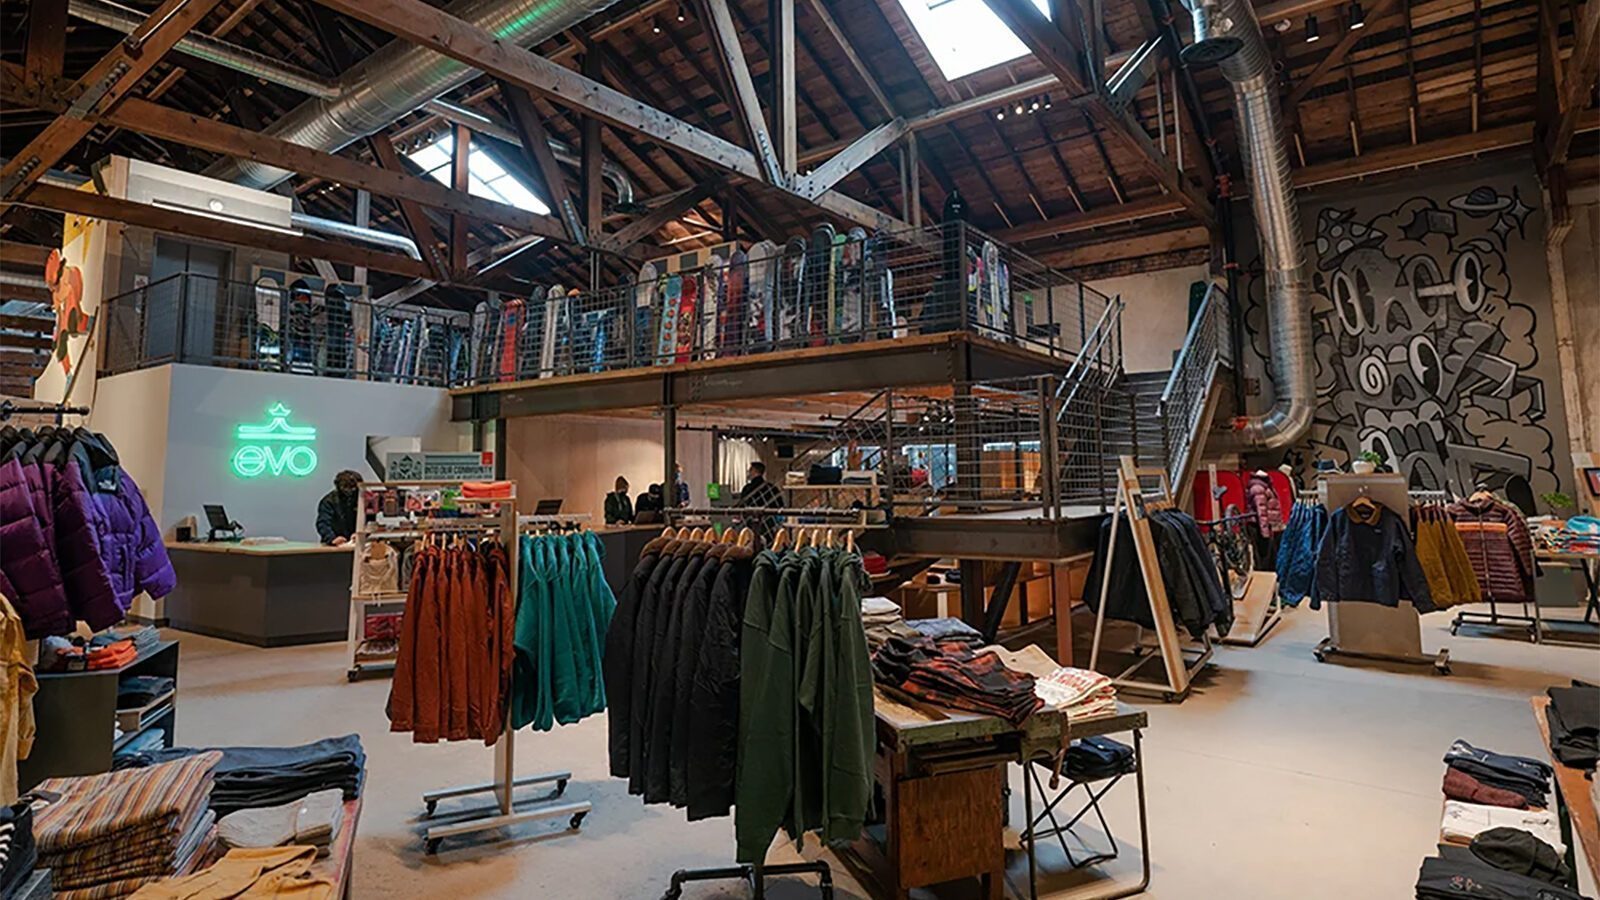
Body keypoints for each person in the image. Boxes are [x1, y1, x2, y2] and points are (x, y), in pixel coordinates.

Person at [316, 469, 362, 546]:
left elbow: (368, 521)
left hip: (356, 542)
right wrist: (332, 538)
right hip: (333, 544)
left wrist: (360, 534)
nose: (350, 491)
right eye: (346, 487)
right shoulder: (329, 501)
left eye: (353, 488)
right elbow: (323, 523)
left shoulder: (362, 499)